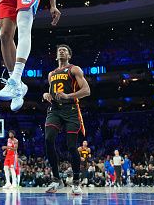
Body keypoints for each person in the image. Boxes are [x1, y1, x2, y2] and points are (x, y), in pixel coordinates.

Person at [42, 45, 90, 195]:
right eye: (59, 50)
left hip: (71, 110)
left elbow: (86, 91)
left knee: (71, 146)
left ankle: (76, 182)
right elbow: (52, 92)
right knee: (49, 139)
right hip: (55, 110)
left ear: (69, 55)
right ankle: (57, 180)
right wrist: (46, 95)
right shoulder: (51, 74)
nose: (61, 51)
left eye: (64, 50)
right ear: (56, 56)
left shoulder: (74, 69)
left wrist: (68, 96)